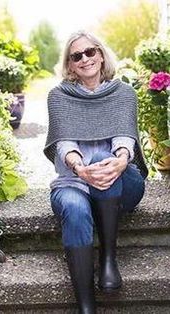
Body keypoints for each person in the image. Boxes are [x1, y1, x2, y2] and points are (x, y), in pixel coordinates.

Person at [44, 30, 148, 314]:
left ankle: (108, 260)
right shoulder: (59, 96)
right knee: (75, 208)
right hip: (74, 182)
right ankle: (87, 308)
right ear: (69, 65)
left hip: (123, 183)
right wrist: (79, 168)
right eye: (76, 56)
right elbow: (64, 142)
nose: (85, 59)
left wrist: (122, 159)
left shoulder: (124, 93)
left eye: (91, 52)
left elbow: (125, 137)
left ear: (101, 55)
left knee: (105, 156)